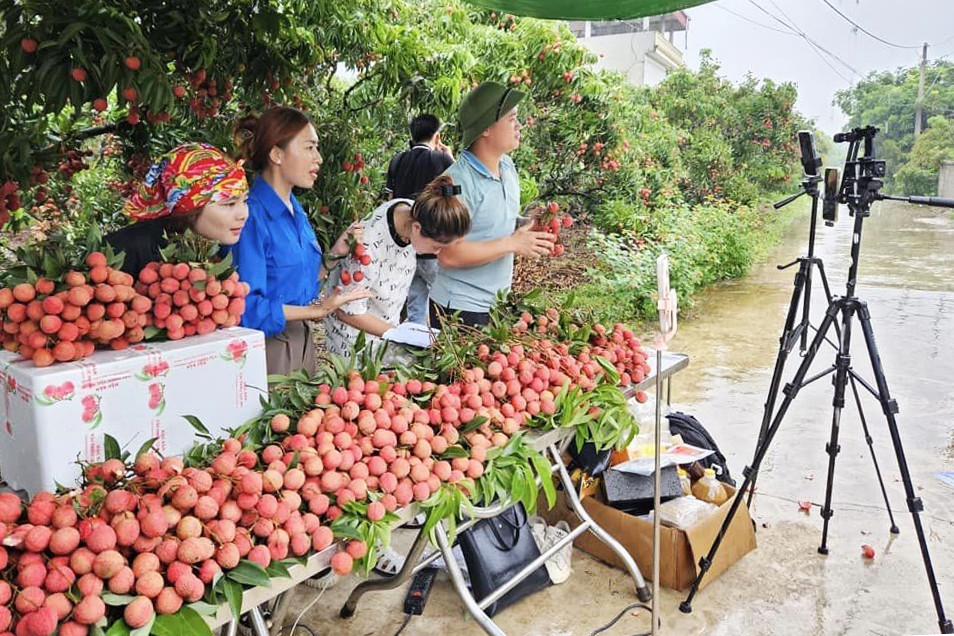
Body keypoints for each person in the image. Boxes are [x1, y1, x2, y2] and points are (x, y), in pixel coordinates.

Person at [231, 107, 371, 375]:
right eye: (309, 148)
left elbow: (300, 287)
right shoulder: (250, 217)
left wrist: (334, 256)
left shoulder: (295, 210)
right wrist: (316, 312)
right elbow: (246, 309)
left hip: (303, 341)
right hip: (268, 350)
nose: (318, 158)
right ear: (277, 154)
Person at [429, 82, 556, 327]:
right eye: (511, 119)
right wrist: (513, 243)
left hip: (496, 304)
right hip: (457, 310)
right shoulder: (457, 183)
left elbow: (492, 223)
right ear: (486, 128)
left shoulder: (507, 167)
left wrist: (527, 225)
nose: (519, 126)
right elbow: (448, 254)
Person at [323, 175, 470, 360]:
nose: (438, 254)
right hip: (353, 341)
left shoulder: (410, 210)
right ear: (417, 228)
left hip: (384, 328)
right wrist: (399, 334)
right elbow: (345, 311)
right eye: (437, 247)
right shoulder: (366, 249)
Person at [105, 142, 250, 278]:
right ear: (190, 207)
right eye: (229, 204)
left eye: (245, 201)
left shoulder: (204, 248)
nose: (244, 214)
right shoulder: (124, 250)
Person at [384, 114, 455, 325]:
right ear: (437, 137)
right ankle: (445, 351)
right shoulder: (442, 160)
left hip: (405, 249)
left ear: (412, 137)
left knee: (416, 304)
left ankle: (416, 347)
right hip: (432, 248)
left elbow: (390, 201)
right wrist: (451, 158)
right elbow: (458, 197)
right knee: (447, 306)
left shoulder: (398, 160)